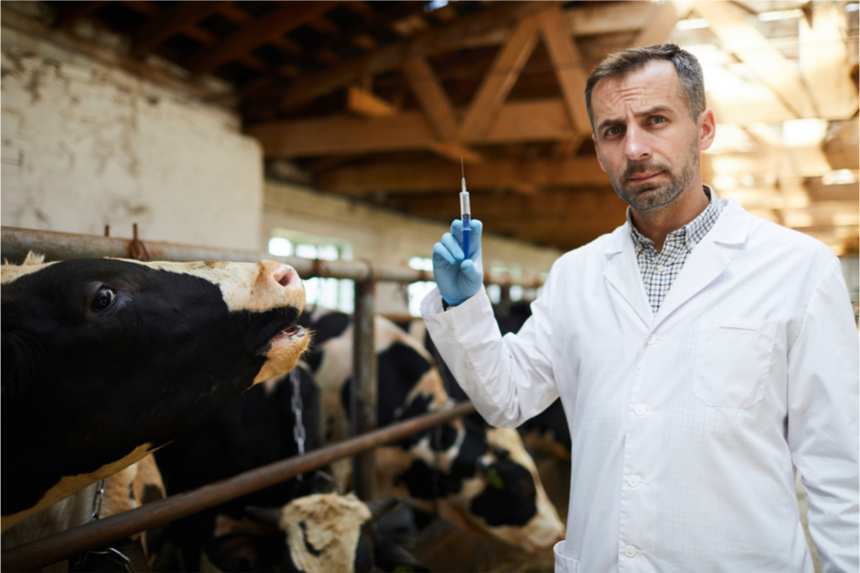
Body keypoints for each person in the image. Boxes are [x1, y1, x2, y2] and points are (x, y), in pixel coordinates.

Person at [421, 44, 859, 573]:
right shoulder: (575, 276)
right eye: (612, 131)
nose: (634, 148)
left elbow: (840, 468)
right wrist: (462, 303)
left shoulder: (798, 270)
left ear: (704, 129)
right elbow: (506, 399)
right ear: (599, 148)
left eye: (656, 120)